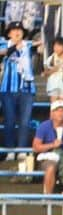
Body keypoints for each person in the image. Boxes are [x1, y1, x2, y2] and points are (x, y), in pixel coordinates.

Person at [32, 100, 63, 196]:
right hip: (48, 155)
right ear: (52, 113)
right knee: (51, 167)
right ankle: (48, 197)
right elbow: (36, 147)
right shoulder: (44, 126)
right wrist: (52, 145)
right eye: (57, 111)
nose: (60, 113)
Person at [0, 22, 35, 154]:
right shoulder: (3, 44)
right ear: (9, 33)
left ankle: (21, 150)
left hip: (27, 89)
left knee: (25, 122)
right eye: (14, 30)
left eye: (19, 29)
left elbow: (42, 46)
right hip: (8, 89)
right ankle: (9, 150)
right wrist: (14, 47)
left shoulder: (29, 45)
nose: (17, 32)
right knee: (9, 120)